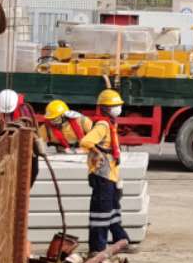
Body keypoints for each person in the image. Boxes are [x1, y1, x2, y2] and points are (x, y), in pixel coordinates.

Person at [35, 94, 130, 253]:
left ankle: (121, 239)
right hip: (102, 174)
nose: (118, 109)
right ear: (107, 108)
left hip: (110, 173)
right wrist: (96, 152)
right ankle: (97, 248)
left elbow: (110, 152)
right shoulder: (102, 125)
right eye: (115, 106)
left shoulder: (105, 124)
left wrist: (118, 178)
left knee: (113, 210)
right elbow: (87, 142)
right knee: (101, 213)